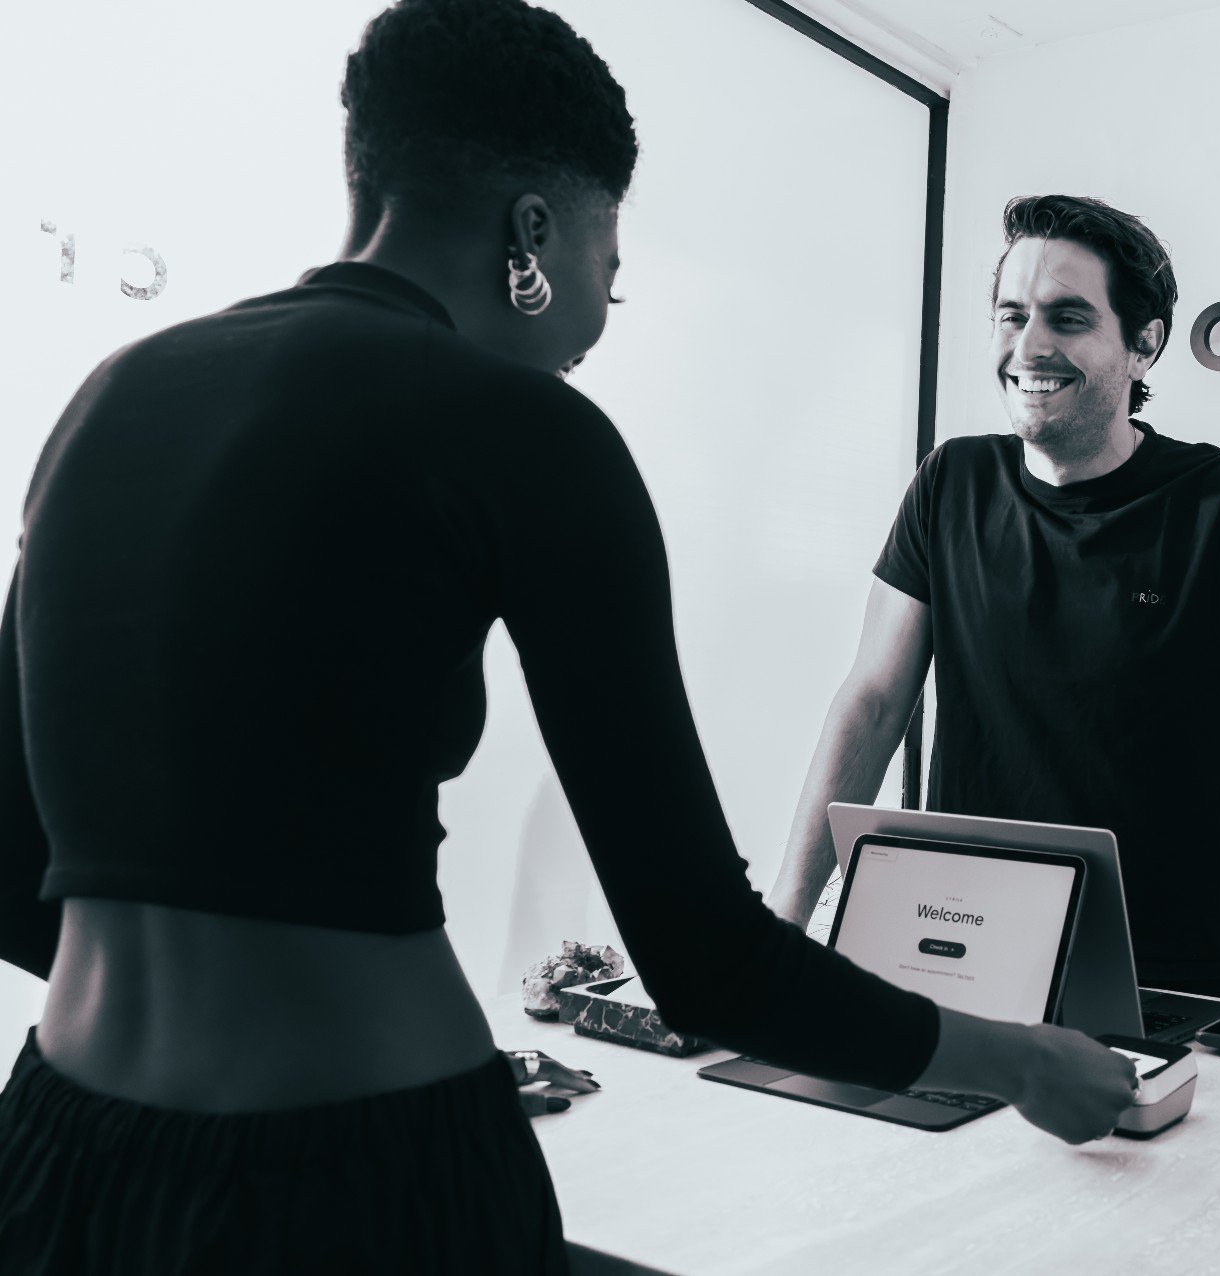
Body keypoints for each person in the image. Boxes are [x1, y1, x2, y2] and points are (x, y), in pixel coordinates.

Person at [0, 8, 1138, 1273]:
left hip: (61, 1152)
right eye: (610, 249)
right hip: (363, 1181)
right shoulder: (530, 432)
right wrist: (1025, 1059)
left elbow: (13, 856)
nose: (606, 300)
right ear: (531, 230)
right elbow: (709, 966)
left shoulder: (110, 397)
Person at [770, 194, 1220, 1005]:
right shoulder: (951, 485)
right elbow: (872, 704)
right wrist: (779, 933)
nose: (1029, 346)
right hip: (957, 968)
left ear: (1143, 345)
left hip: (1179, 996)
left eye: (1069, 318)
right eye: (1011, 316)